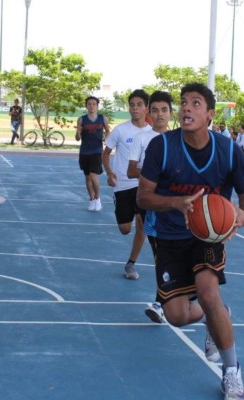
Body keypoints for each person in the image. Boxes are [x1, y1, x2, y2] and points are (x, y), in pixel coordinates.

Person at [137, 83, 244, 399]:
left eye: (196, 103)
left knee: (207, 291)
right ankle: (215, 316)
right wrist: (176, 203)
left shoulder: (228, 150)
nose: (187, 107)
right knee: (176, 315)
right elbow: (143, 197)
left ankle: (232, 372)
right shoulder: (162, 146)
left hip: (208, 235)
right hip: (169, 234)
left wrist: (241, 218)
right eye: (184, 102)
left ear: (210, 114)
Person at [127, 90, 173, 324]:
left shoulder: (178, 139)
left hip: (173, 205)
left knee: (170, 254)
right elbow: (130, 170)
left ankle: (165, 301)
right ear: (149, 112)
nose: (159, 114)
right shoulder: (142, 138)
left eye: (164, 110)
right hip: (150, 203)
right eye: (155, 110)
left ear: (171, 113)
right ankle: (161, 302)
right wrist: (156, 175)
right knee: (160, 254)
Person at [102, 89, 152, 280]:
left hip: (143, 185)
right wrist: (109, 172)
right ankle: (123, 209)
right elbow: (106, 153)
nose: (135, 108)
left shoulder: (152, 133)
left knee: (142, 224)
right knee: (125, 229)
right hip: (122, 185)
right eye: (132, 105)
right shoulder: (121, 130)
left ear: (146, 108)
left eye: (139, 105)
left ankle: (131, 263)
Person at [76, 96, 110, 212]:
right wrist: (78, 133)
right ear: (86, 106)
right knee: (87, 177)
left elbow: (108, 130)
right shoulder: (81, 119)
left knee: (93, 175)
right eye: (89, 104)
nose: (91, 106)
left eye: (94, 104)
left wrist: (106, 137)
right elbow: (77, 138)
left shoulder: (102, 118)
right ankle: (91, 199)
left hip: (97, 151)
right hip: (84, 151)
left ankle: (98, 198)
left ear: (97, 106)